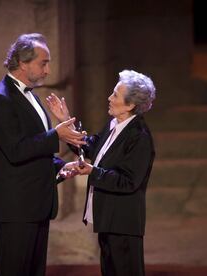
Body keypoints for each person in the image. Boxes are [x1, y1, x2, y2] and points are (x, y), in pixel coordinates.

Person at [0, 33, 85, 276]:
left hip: (36, 204)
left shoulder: (31, 96)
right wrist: (56, 135)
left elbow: (35, 149)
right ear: (23, 63)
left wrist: (60, 167)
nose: (48, 70)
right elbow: (16, 150)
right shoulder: (0, 100)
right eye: (43, 63)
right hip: (17, 209)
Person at [47, 69, 156, 276]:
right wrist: (68, 121)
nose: (109, 97)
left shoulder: (139, 137)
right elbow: (92, 147)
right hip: (109, 220)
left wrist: (92, 171)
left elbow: (128, 181)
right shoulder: (115, 125)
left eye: (115, 94)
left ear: (130, 105)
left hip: (123, 223)